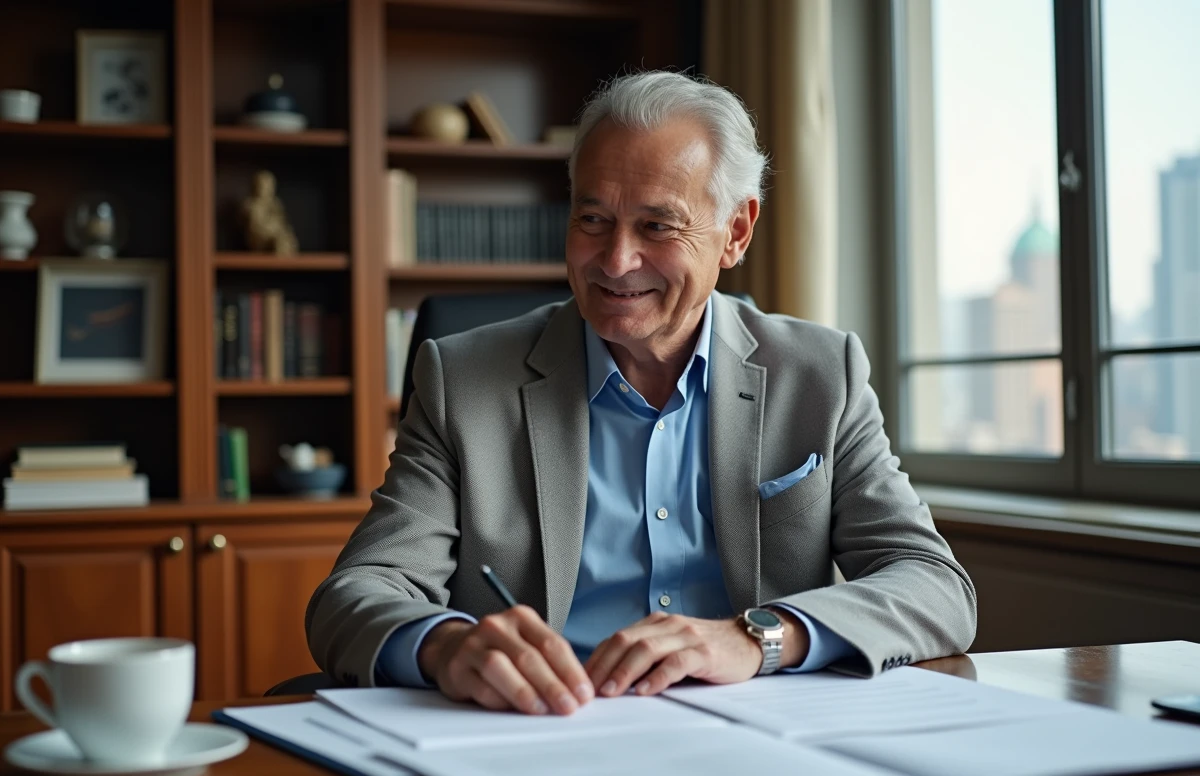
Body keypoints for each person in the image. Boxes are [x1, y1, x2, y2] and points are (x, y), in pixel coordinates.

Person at [306, 71, 976, 716]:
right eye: (593, 219)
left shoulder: (821, 373)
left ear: (736, 232)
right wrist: (445, 646)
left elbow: (933, 585)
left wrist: (758, 638)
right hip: (547, 737)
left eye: (657, 226)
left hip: (759, 737)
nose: (616, 260)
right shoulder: (463, 380)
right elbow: (356, 594)